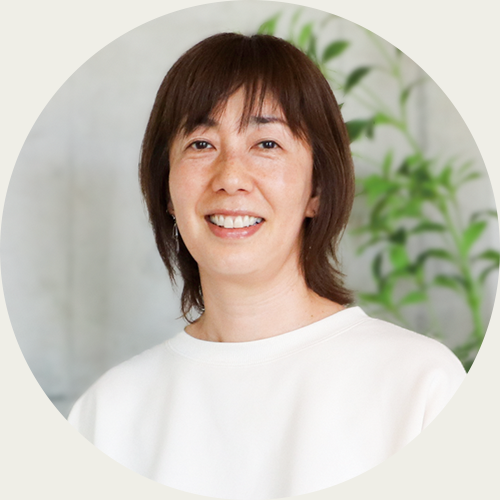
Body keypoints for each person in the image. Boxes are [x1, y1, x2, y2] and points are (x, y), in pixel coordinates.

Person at [68, 33, 465, 499]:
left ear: (317, 190)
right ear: (166, 191)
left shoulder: (421, 386)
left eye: (267, 143)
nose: (231, 177)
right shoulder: (107, 415)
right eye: (201, 144)